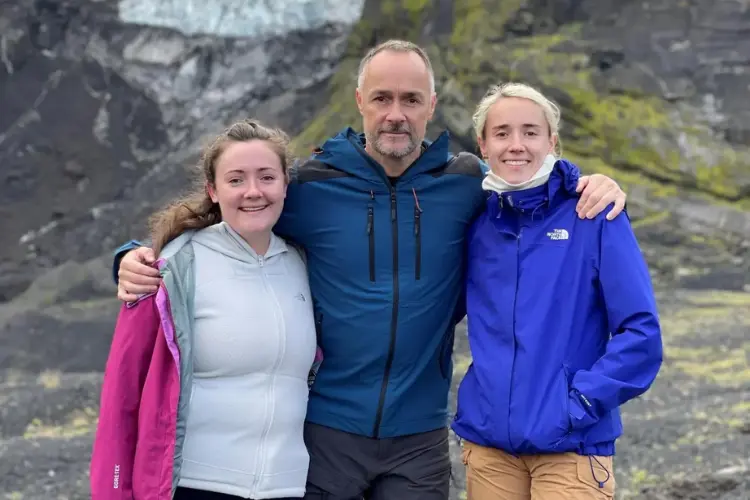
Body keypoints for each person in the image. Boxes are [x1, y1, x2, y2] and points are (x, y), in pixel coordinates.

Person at [113, 41, 628, 499]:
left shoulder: (467, 184)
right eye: (382, 98)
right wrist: (135, 254)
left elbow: (532, 188)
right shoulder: (312, 185)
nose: (395, 114)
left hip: (419, 438)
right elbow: (234, 208)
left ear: (431, 105)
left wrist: (591, 181)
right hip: (324, 434)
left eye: (410, 100)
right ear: (360, 102)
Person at [451, 82, 663, 500]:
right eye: (502, 133)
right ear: (483, 145)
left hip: (573, 447)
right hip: (489, 448)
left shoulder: (594, 214)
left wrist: (580, 403)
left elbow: (642, 335)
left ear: (552, 141)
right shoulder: (476, 224)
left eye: (531, 132)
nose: (516, 145)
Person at [90, 119, 322, 500]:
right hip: (195, 485)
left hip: (287, 487)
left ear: (285, 185)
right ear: (213, 190)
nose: (252, 192)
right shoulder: (170, 268)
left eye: (266, 177)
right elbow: (122, 397)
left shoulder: (304, 265)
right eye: (235, 180)